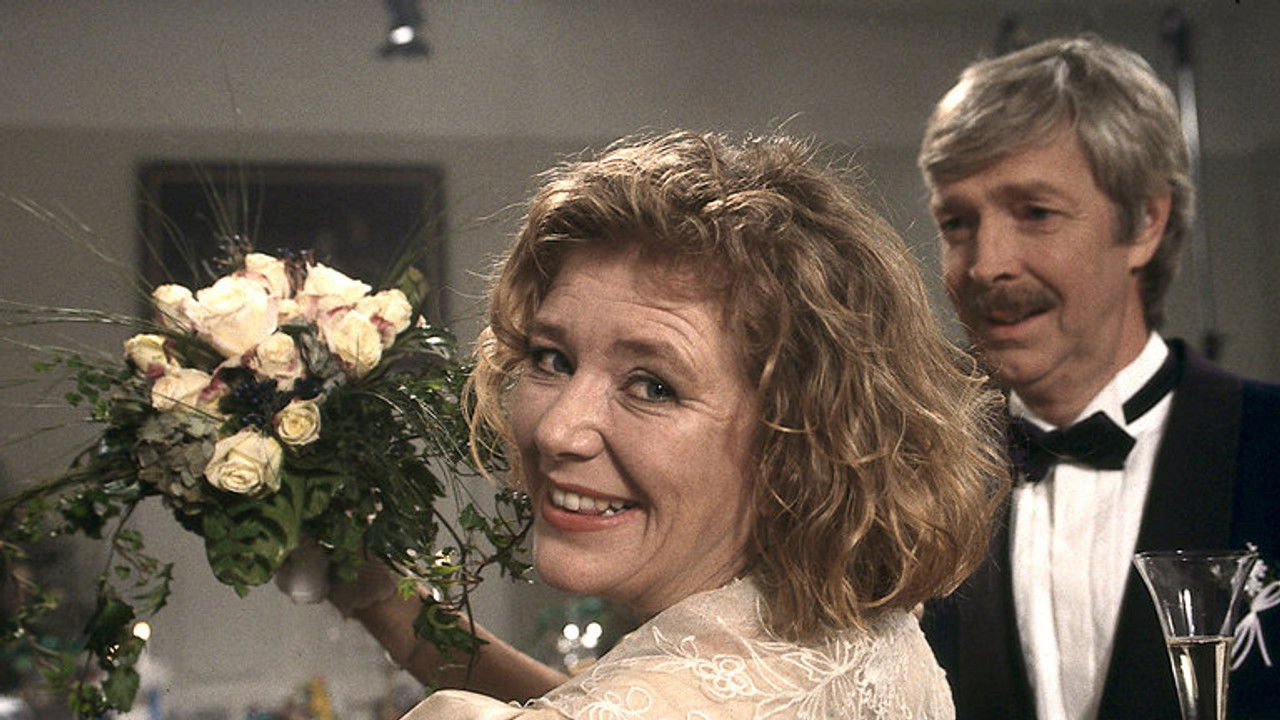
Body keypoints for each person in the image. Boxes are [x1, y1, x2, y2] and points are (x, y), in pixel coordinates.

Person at [341, 130, 1008, 719]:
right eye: (552, 359)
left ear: (800, 437)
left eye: (653, 387)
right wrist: (392, 609)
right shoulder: (859, 637)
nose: (557, 432)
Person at [917, 35, 1280, 720]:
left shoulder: (1269, 444)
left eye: (1035, 213)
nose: (986, 264)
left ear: (1144, 222)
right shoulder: (911, 480)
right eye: (956, 222)